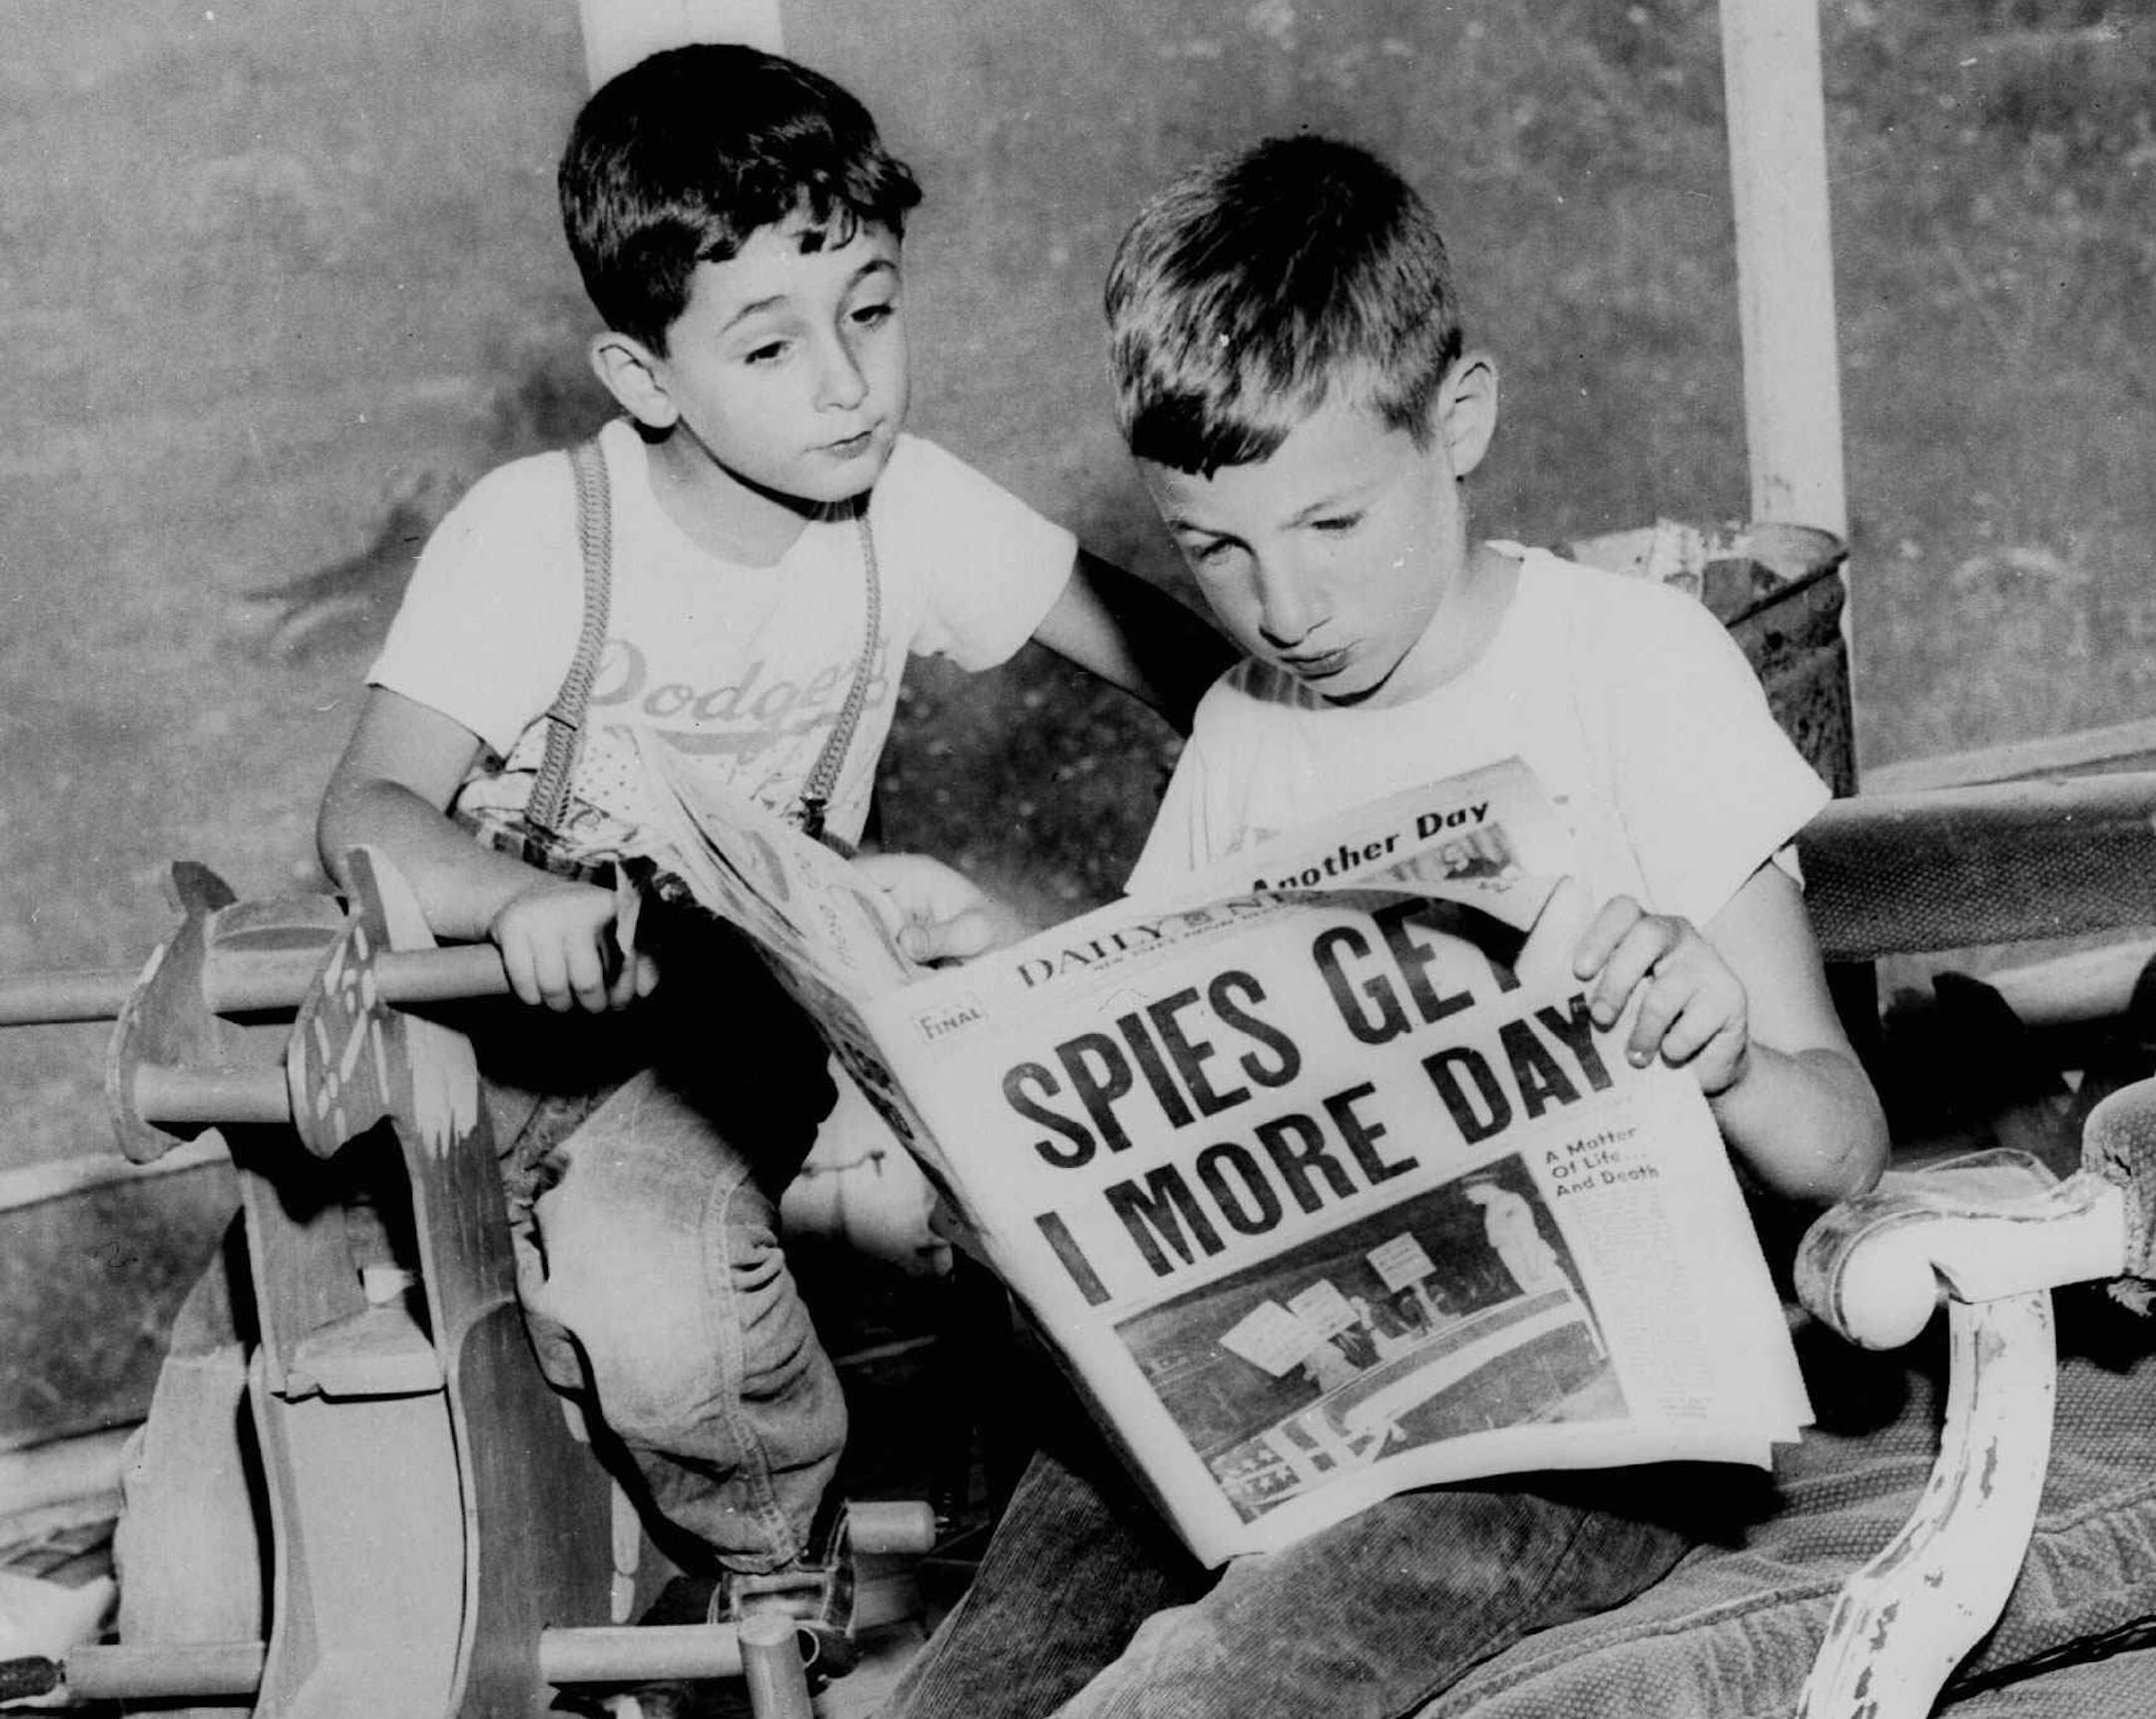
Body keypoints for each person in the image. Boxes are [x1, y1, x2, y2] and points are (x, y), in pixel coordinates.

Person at [878, 133, 1890, 1719]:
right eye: (1213, 549)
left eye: (1332, 526)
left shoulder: (1634, 667)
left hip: (1587, 1425)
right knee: (975, 1682)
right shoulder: (1244, 730)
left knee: (1208, 1685)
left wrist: (1727, 1053)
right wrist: (994, 997)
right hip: (1279, 1388)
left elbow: (1846, 1147)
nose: (1282, 608)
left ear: (1459, 419)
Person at [313, 42, 1225, 1617]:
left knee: (656, 1296)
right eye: (771, 344)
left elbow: (1186, 667)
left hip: (718, 1024)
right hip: (477, 1035)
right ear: (644, 377)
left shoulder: (912, 508)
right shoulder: (540, 531)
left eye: (870, 310)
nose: (847, 381)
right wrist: (510, 899)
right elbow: (364, 809)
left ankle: (777, 1575)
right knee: (328, 1357)